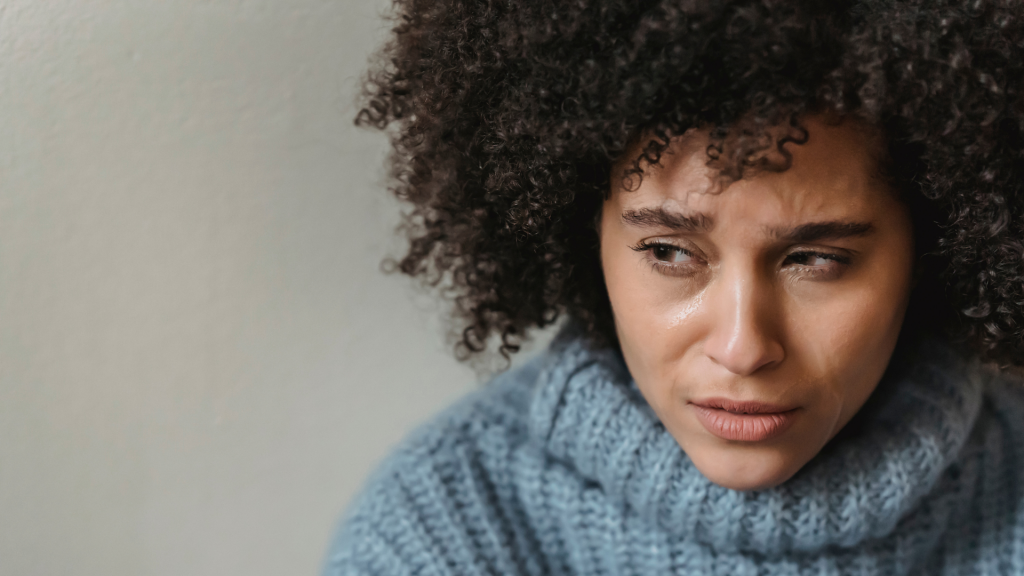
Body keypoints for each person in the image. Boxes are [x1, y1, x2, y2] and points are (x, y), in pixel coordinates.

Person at [326, 0, 1024, 573]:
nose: (743, 347)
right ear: (581, 232)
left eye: (816, 259)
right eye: (667, 251)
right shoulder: (438, 533)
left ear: (937, 244)